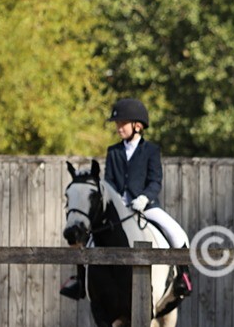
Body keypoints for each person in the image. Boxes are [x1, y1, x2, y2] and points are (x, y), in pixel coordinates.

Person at [61, 98, 193, 299]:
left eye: (122, 124)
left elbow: (155, 182)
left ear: (137, 126)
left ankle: (182, 277)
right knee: (85, 237)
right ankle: (80, 280)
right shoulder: (113, 151)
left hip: (145, 206)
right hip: (118, 207)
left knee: (177, 233)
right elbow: (109, 181)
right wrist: (116, 201)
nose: (118, 128)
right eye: (117, 124)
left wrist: (143, 198)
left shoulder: (151, 151)